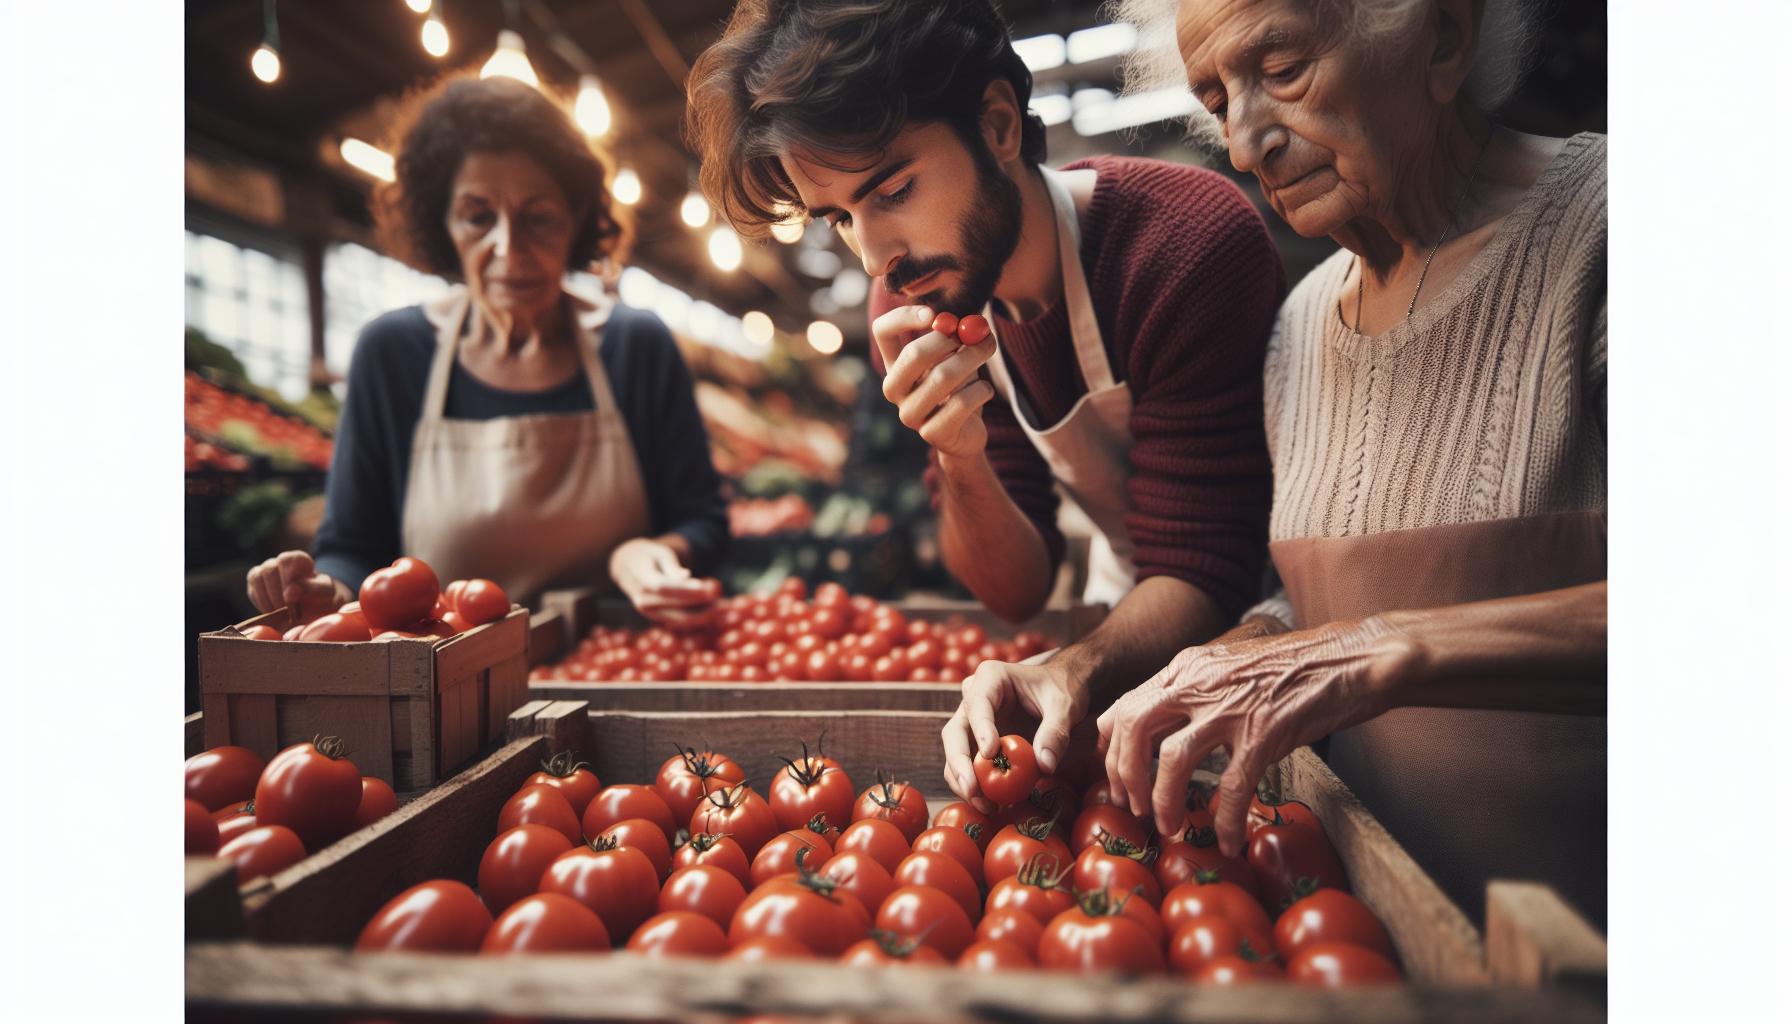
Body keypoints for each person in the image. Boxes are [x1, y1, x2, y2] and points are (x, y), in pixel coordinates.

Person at [687, 0, 1283, 792]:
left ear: (999, 125)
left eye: (893, 190)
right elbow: (1017, 589)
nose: (874, 259)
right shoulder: (914, 307)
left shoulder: (1181, 246)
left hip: (1268, 638)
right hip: (1130, 615)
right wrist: (958, 456)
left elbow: (1208, 566)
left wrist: (1078, 664)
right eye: (838, 218)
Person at [1097, 0, 1607, 925]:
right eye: (1217, 102)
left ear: (1444, 36)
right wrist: (1239, 651)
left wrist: (1366, 653)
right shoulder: (1297, 326)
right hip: (1372, 939)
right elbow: (1324, 600)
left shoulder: (1618, 229)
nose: (1246, 145)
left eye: (1281, 71)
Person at [245, 76, 726, 626]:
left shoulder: (636, 348)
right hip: (440, 679)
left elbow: (704, 522)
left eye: (538, 218)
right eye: (478, 217)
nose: (508, 247)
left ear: (574, 224)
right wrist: (325, 588)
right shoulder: (392, 354)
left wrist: (660, 552)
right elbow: (352, 545)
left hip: (618, 667)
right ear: (443, 226)